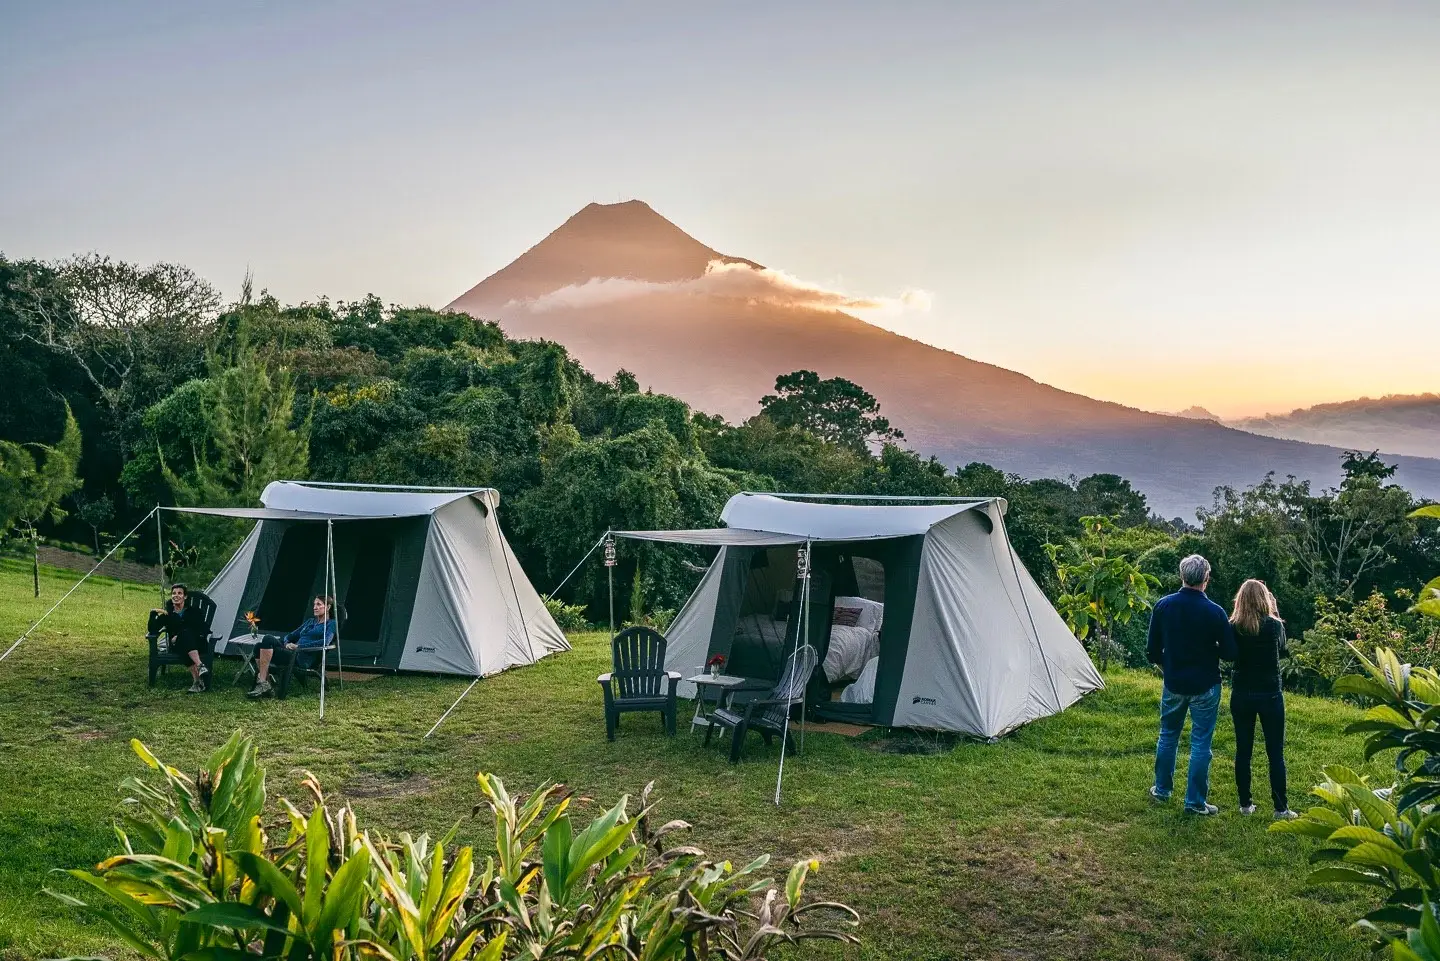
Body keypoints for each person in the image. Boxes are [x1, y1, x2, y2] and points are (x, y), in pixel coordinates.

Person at [1146, 554, 1237, 815]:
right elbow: (1231, 653)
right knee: (1200, 744)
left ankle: (1162, 790)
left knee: (1168, 736)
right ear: (1206, 579)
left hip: (1173, 683)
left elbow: (1152, 651)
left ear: (1182, 576)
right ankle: (1195, 801)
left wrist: (1168, 668)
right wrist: (1213, 648)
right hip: (1205, 685)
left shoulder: (1163, 606)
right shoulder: (1215, 612)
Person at [1230, 579, 1297, 820]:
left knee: (1243, 750)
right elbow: (1284, 646)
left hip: (1241, 692)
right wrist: (1275, 611)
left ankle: (1245, 804)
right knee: (1275, 752)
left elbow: (1229, 655)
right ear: (1265, 600)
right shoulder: (1274, 626)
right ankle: (1280, 808)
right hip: (1269, 693)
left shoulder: (1234, 626)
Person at [247, 594, 336, 699]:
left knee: (267, 639)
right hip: (291, 652)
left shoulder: (331, 624)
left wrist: (299, 646)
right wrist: (287, 643)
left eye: (318, 604)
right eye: (314, 604)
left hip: (301, 658)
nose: (314, 607)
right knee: (259, 646)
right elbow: (290, 635)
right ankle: (265, 683)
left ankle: (263, 684)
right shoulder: (310, 622)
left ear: (328, 607)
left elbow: (325, 642)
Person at [148, 583, 209, 693]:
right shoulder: (168, 615)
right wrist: (153, 614)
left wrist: (179, 636)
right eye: (174, 593)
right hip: (178, 645)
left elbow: (202, 629)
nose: (176, 595)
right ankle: (200, 667)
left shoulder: (195, 612)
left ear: (185, 597)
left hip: (198, 644)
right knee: (184, 642)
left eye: (179, 593)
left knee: (185, 637)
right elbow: (153, 629)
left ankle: (197, 682)